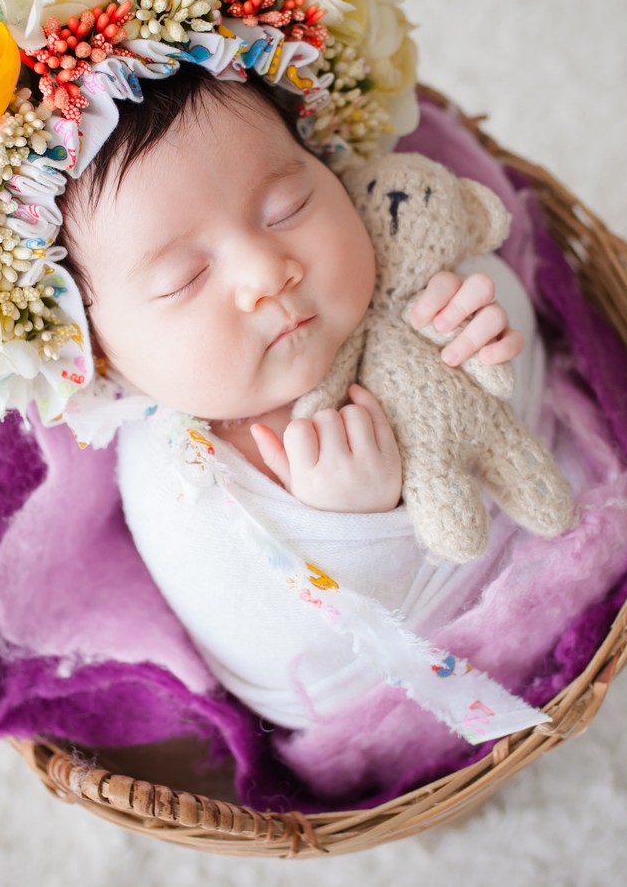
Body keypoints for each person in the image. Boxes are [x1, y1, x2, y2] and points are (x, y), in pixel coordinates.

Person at [56, 68, 552, 735]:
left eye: (286, 206)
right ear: (96, 349)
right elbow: (286, 668)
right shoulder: (179, 478)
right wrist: (355, 524)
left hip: (558, 570)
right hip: (416, 720)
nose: (267, 273)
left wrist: (484, 323)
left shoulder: (400, 254)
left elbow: (534, 409)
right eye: (184, 278)